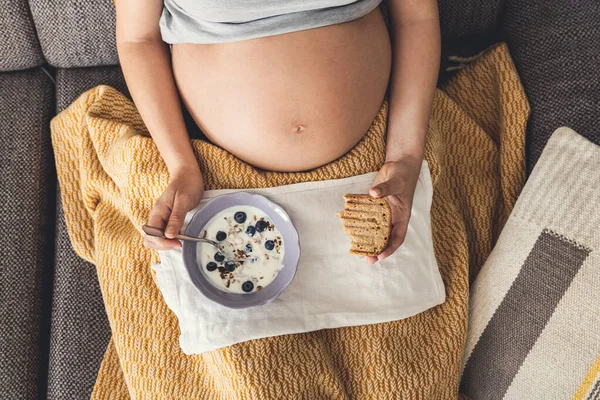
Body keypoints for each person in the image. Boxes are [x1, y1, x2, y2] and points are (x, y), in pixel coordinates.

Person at [115, 0, 440, 264]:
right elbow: (137, 39)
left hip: (380, 158)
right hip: (211, 171)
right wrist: (181, 167)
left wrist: (405, 156)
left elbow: (416, 18)